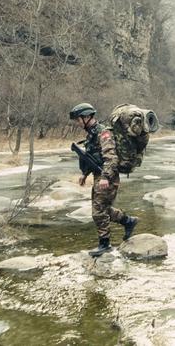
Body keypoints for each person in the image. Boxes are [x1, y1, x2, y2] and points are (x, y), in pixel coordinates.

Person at [69, 103, 139, 257]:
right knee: (103, 209)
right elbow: (93, 157)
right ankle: (128, 221)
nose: (78, 123)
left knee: (98, 211)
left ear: (87, 117)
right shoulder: (91, 134)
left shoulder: (104, 133)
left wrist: (105, 177)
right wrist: (85, 174)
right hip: (100, 175)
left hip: (108, 176)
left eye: (78, 119)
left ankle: (105, 244)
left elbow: (111, 158)